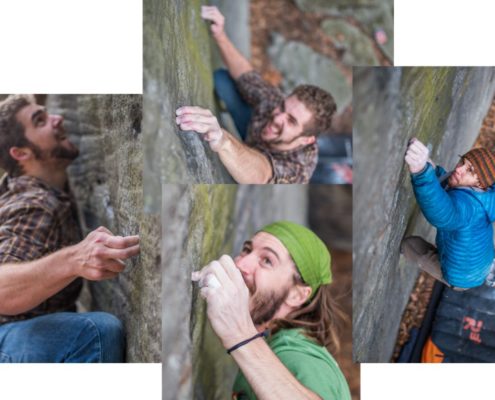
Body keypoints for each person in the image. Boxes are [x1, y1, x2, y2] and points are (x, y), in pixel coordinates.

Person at [0, 95, 140, 362]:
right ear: (20, 153)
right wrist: (76, 259)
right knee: (94, 334)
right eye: (40, 121)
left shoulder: (24, 187)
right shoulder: (35, 203)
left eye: (48, 112)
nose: (58, 118)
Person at [174, 6, 336, 184]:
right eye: (283, 107)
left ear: (306, 139)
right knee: (223, 80)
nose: (277, 116)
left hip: (258, 163)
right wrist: (220, 34)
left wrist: (222, 139)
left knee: (238, 172)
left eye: (291, 121)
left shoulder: (298, 168)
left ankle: (235, 150)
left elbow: (261, 174)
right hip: (251, 129)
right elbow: (247, 75)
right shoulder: (274, 103)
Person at [192, 221, 351, 399]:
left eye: (267, 260)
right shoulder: (275, 344)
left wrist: (239, 335)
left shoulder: (298, 358)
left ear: (297, 295)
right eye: (246, 250)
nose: (241, 264)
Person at [402, 137, 495, 290]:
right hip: (482, 260)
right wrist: (431, 169)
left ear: (481, 184)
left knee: (410, 245)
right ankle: (487, 271)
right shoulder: (488, 195)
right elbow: (451, 186)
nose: (459, 169)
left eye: (469, 170)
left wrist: (421, 172)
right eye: (462, 162)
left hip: (462, 277)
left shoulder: (467, 210)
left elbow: (443, 212)